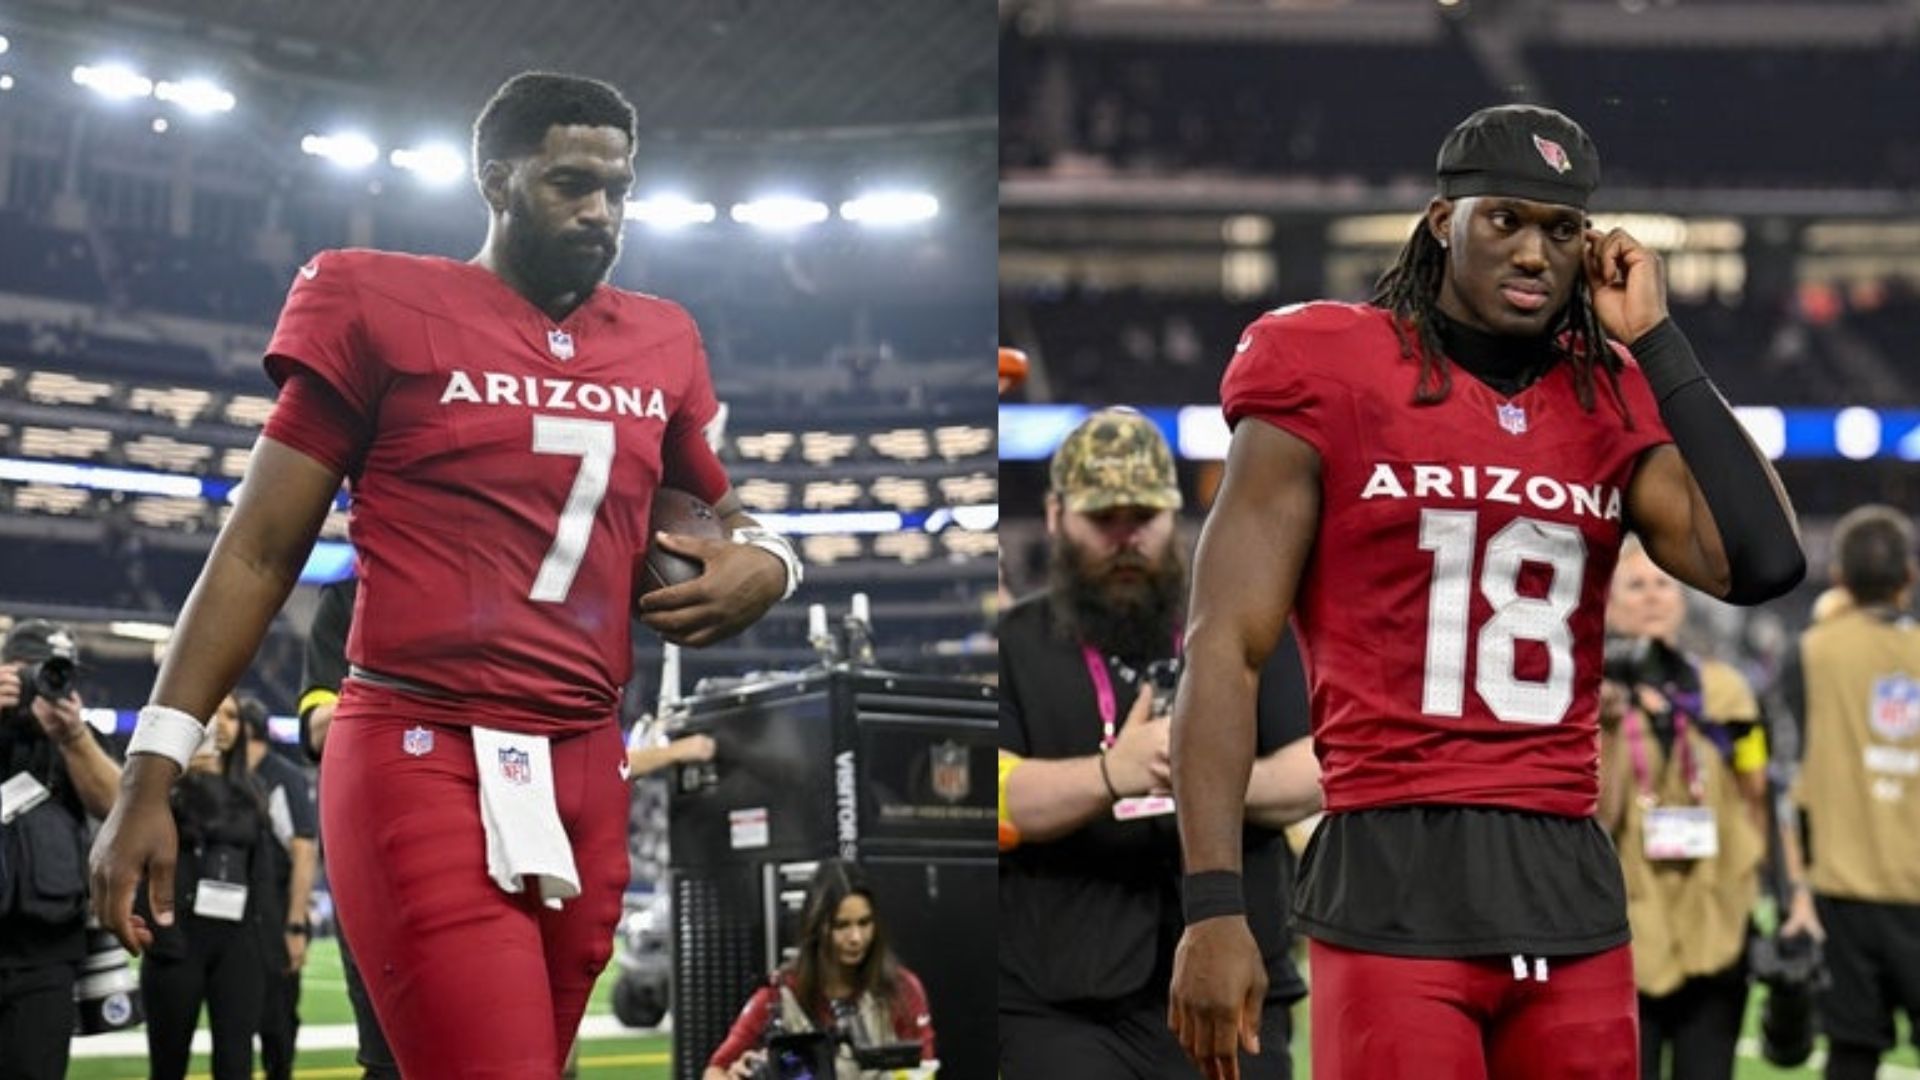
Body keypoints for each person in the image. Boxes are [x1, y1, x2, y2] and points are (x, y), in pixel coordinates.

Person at [91, 71, 801, 1080]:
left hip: (584, 761)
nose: (601, 212)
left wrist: (775, 563)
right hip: (425, 746)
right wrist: (146, 777)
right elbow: (257, 548)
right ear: (495, 179)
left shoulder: (663, 339)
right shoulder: (374, 299)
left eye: (619, 189)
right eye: (570, 182)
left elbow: (719, 516)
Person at [1166, 103, 1806, 1080]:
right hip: (1392, 871)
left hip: (1568, 880)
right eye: (1503, 218)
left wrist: (1660, 342)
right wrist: (1213, 904)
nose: (1533, 252)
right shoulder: (1327, 365)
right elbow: (1224, 646)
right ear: (1440, 221)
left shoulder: (1607, 390)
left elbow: (1763, 562)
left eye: (1560, 230)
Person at [997, 409, 1320, 1079]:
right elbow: (999, 797)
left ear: (1175, 515)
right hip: (1064, 1000)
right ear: (1056, 516)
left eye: (1144, 516)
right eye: (1103, 518)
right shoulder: (1015, 644)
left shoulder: (1246, 623)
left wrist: (1207, 777)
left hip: (1236, 980)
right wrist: (1114, 772)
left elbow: (1318, 765)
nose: (1127, 537)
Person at [1597, 537, 1816, 1080]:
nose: (1652, 596)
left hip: (1717, 916)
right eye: (1636, 585)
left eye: (1662, 584)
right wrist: (1607, 722)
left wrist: (1797, 897)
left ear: (1680, 598)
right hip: (1628, 923)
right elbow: (1600, 817)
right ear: (1607, 601)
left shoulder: (1726, 690)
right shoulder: (1589, 694)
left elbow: (1759, 795)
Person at [1781, 505, 1920, 1080]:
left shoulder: (1809, 653)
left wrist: (1793, 885)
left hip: (1843, 887)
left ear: (1837, 577)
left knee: (1851, 1052)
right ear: (1908, 577)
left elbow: (1787, 775)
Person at [138, 695, 280, 1080]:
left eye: (231, 715)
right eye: (212, 712)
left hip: (238, 943)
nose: (221, 723)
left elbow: (262, 874)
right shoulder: (160, 783)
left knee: (235, 1063)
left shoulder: (252, 791)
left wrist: (273, 941)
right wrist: (171, 779)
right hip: (176, 939)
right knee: (168, 1063)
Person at [0, 620, 117, 1080]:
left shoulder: (76, 736)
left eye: (59, 671)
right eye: (36, 669)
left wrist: (73, 739)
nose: (45, 681)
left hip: (46, 952)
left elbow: (115, 807)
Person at [704, 859, 936, 1080]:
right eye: (841, 925)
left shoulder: (901, 990)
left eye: (865, 923)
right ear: (816, 927)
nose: (856, 938)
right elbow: (715, 1070)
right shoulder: (778, 998)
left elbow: (925, 1067)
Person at [221, 696, 318, 1080]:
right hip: (237, 915)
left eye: (229, 719)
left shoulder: (282, 776)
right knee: (236, 1017)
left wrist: (295, 924)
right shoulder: (230, 775)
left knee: (277, 1020)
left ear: (246, 730)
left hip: (276, 913)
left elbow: (304, 849)